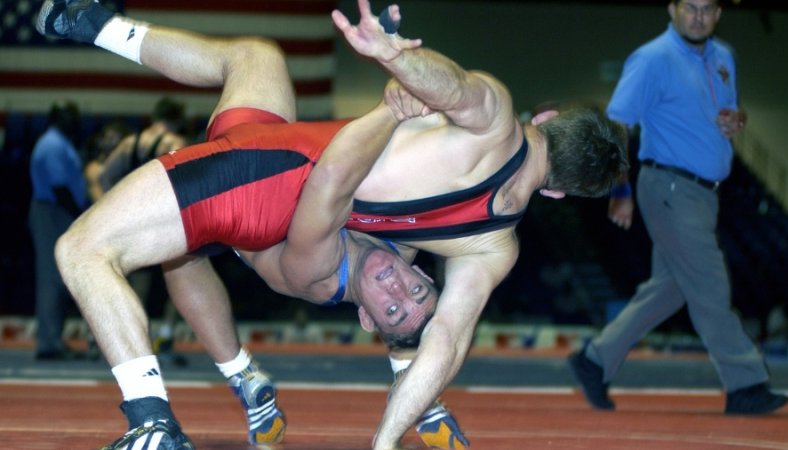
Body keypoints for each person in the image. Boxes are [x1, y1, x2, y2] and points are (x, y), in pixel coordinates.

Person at [37, 0, 628, 448]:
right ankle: (95, 24)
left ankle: (152, 422)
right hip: (278, 156)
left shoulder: (497, 118)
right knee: (256, 56)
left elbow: (453, 88)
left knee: (83, 249)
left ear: (544, 118)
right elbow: (445, 342)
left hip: (274, 179)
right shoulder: (496, 248)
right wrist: (385, 440)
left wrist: (396, 58)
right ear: (558, 191)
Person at [567, 0, 788, 416]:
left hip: (706, 194)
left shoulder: (724, 57)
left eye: (707, 8)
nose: (698, 16)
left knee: (669, 290)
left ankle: (595, 360)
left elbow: (728, 112)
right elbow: (617, 124)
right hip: (669, 187)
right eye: (690, 7)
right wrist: (620, 189)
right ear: (672, 9)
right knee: (711, 285)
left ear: (719, 13)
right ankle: (745, 383)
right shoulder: (652, 59)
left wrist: (737, 121)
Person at [97, 97, 191, 367]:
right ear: (176, 119)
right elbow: (187, 181)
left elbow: (104, 176)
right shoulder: (175, 143)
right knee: (184, 277)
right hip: (167, 221)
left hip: (136, 222)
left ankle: (132, 344)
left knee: (138, 285)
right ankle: (166, 338)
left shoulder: (130, 143)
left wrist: (118, 206)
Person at [28, 99, 89, 360]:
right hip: (52, 211)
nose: (75, 120)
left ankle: (54, 339)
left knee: (59, 277)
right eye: (69, 116)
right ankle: (49, 344)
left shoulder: (61, 142)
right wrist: (80, 217)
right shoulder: (52, 144)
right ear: (58, 118)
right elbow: (60, 187)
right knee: (51, 278)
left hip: (57, 210)